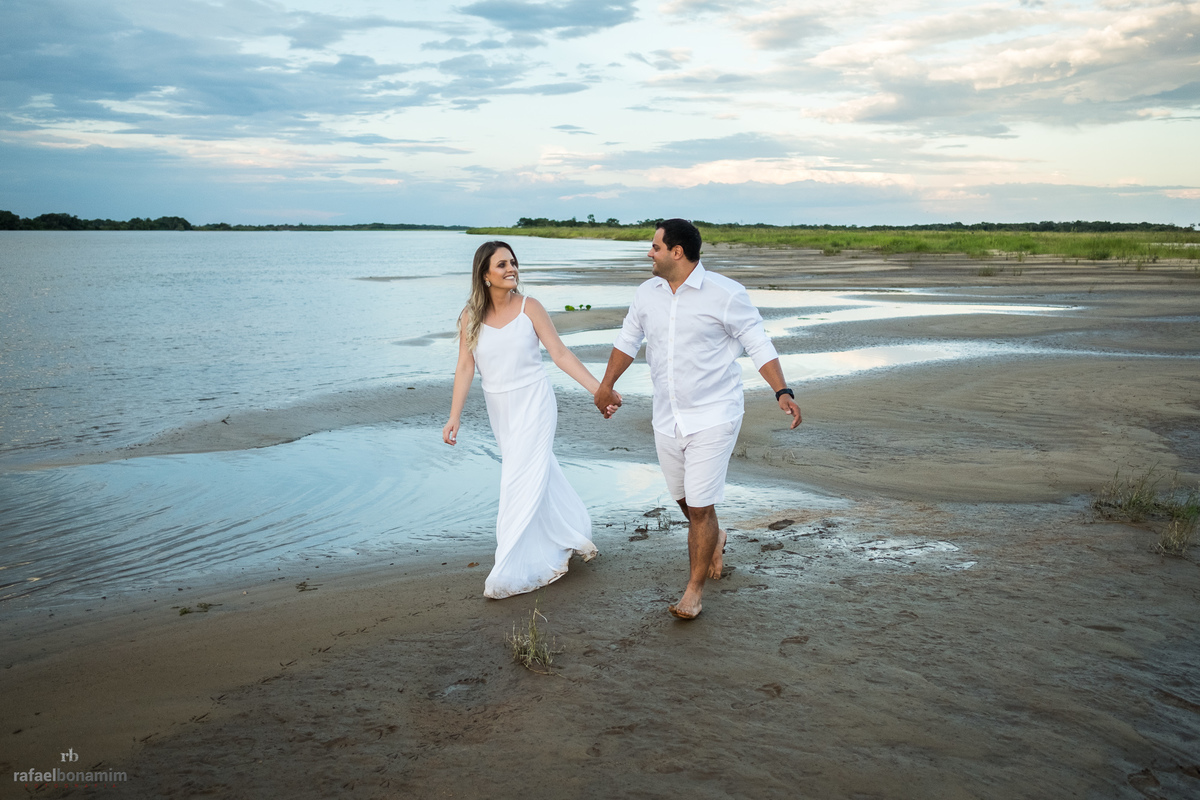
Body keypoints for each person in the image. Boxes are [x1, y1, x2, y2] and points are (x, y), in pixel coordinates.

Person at [593, 219, 801, 619]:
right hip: (667, 416)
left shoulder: (725, 294)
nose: (648, 253)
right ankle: (715, 537)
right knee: (684, 498)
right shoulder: (646, 294)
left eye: (654, 247)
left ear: (677, 252)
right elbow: (626, 342)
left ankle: (693, 591)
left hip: (714, 414)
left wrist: (782, 391)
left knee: (702, 506)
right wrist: (606, 384)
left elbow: (758, 342)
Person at [443, 240, 613, 599]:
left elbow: (561, 354)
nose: (511, 270)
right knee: (537, 472)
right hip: (500, 407)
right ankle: (569, 530)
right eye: (501, 265)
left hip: (535, 401)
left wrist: (600, 391)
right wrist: (454, 416)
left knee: (517, 478)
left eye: (513, 263)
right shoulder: (469, 316)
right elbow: (464, 367)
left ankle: (508, 564)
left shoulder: (530, 308)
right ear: (484, 275)